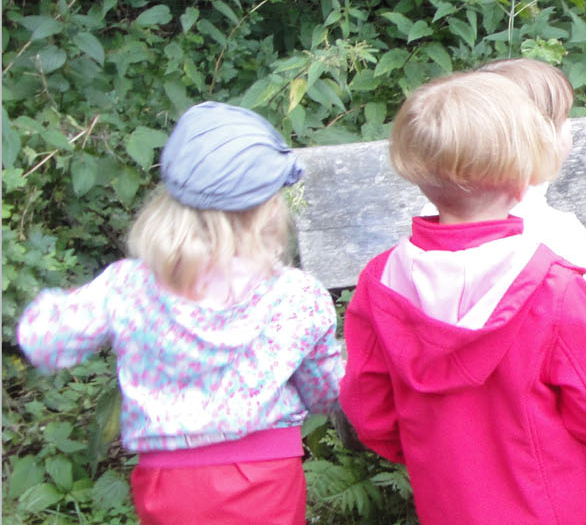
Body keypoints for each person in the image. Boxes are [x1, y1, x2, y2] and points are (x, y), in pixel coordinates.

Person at [16, 102, 343, 525]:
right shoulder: (297, 295)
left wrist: (49, 312)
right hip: (268, 478)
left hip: (169, 485)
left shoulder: (128, 286)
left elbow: (45, 342)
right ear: (268, 210)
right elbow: (325, 392)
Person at [339, 72, 586, 524]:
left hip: (450, 503)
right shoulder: (549, 285)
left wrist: (435, 451)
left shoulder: (381, 282)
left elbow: (371, 412)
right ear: (521, 180)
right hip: (556, 506)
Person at [475, 57, 586, 525]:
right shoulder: (553, 231)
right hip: (570, 436)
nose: (571, 128)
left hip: (495, 442)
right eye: (564, 119)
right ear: (539, 141)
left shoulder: (464, 225)